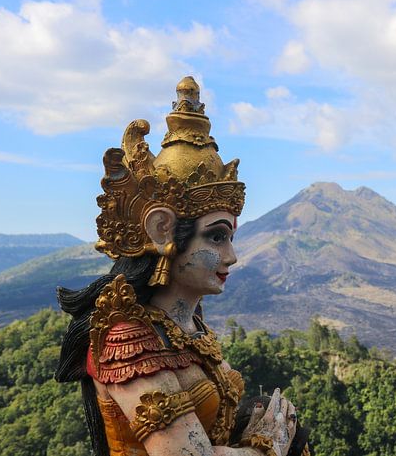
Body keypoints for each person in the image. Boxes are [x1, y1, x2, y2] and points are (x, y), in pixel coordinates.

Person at [55, 77, 309, 456]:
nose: (232, 256)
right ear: (164, 231)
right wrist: (266, 447)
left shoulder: (184, 326)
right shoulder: (128, 340)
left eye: (231, 238)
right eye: (216, 237)